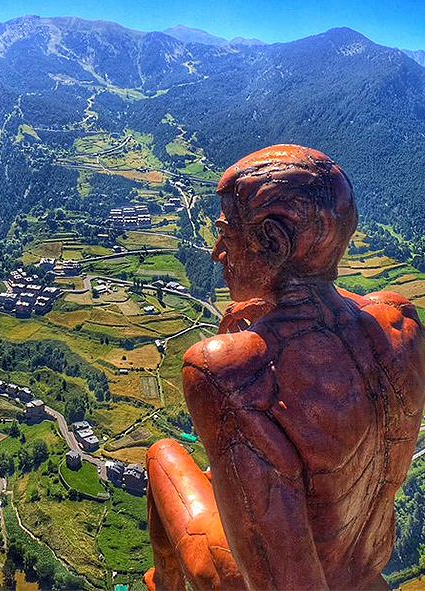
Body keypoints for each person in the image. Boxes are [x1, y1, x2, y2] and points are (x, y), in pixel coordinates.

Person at [144, 145, 425, 590]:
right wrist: (271, 312)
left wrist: (251, 340)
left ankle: (163, 584)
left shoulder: (231, 373)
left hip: (272, 579)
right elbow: (335, 318)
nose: (218, 253)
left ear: (272, 241)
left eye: (227, 233)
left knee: (163, 455)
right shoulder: (402, 323)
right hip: (363, 561)